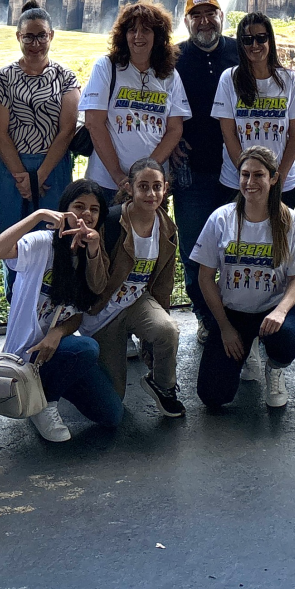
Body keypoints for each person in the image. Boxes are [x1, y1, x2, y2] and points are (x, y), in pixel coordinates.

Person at [0, 180, 125, 443]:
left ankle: (52, 385)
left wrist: (58, 333)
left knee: (112, 415)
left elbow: (82, 307)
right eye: (79, 206)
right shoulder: (43, 244)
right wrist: (38, 215)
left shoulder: (93, 250)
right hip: (27, 354)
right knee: (87, 348)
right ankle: (44, 405)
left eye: (94, 210)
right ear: (64, 209)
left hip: (58, 349)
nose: (86, 214)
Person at [192, 146, 295, 409]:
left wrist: (280, 312)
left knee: (286, 339)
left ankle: (275, 368)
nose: (250, 182)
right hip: (233, 311)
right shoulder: (221, 218)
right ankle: (248, 347)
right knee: (212, 396)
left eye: (258, 175)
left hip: (272, 308)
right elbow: (205, 277)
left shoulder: (290, 221)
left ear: (274, 178)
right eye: (245, 175)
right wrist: (223, 327)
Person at [80, 158, 185, 417]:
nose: (151, 194)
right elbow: (95, 283)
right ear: (129, 187)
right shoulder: (112, 222)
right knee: (113, 405)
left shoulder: (167, 229)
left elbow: (163, 284)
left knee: (167, 329)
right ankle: (79, 379)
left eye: (157, 187)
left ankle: (163, 386)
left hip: (137, 301)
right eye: (143, 187)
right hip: (103, 310)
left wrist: (154, 340)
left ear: (166, 188)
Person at [169, 0, 241, 338]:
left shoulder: (240, 50)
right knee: (195, 248)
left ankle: (234, 311)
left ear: (221, 17)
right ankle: (203, 314)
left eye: (210, 14)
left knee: (234, 246)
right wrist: (171, 141)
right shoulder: (174, 58)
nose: (204, 21)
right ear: (186, 22)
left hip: (235, 171)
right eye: (196, 16)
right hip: (192, 172)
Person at [0, 3, 78, 241]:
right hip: (11, 169)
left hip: (53, 167)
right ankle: (14, 281)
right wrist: (23, 178)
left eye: (41, 36)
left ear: (51, 36)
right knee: (12, 241)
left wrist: (39, 177)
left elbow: (67, 130)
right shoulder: (5, 77)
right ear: (18, 36)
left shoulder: (66, 77)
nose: (35, 44)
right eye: (28, 37)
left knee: (51, 239)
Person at [82, 1, 191, 190]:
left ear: (157, 36)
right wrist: (118, 175)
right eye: (132, 30)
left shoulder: (169, 74)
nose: (138, 36)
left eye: (146, 31)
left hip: (150, 187)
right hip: (106, 182)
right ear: (123, 35)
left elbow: (175, 128)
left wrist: (145, 173)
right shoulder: (107, 66)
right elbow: (93, 122)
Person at [211, 12, 295, 207]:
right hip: (237, 181)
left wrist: (277, 178)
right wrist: (247, 176)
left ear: (270, 40)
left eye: (261, 38)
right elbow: (228, 134)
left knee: (279, 236)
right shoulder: (229, 79)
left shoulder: (290, 80)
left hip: (283, 182)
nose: (254, 45)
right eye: (247, 40)